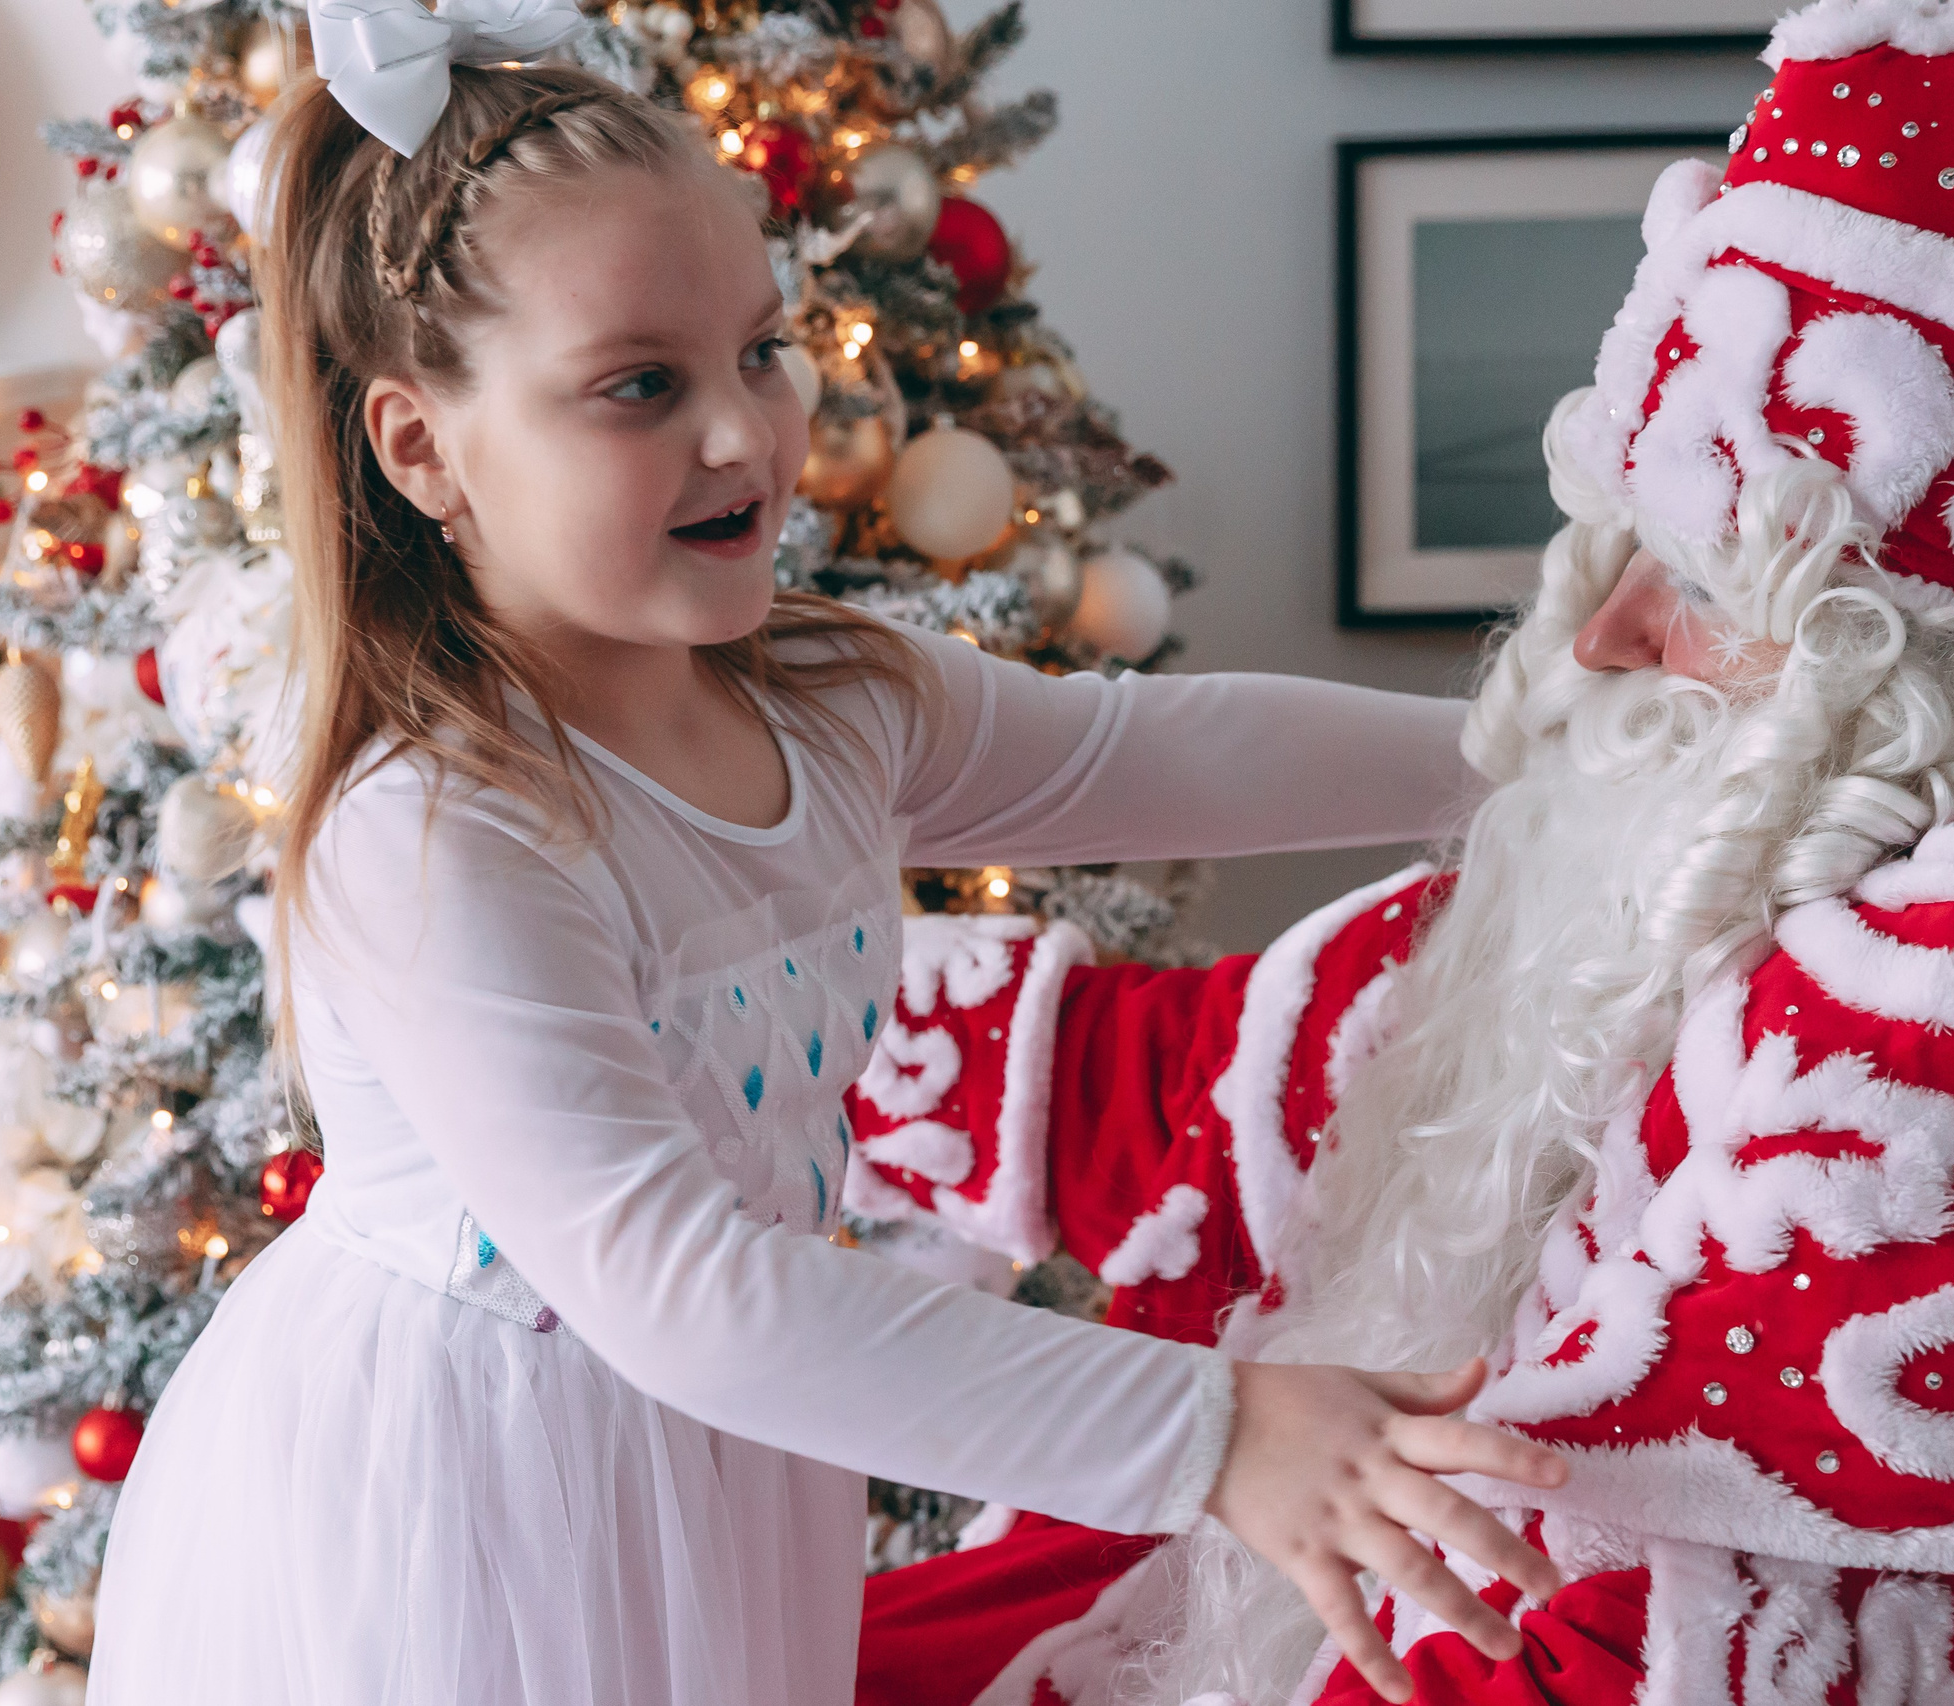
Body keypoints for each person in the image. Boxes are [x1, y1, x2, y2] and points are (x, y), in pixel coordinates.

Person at [845, 1, 1954, 1701]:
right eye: (1620, 549)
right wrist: (758, 1004)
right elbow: (1241, 1082)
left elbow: (1643, 1664)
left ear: (1915, 660)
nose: (1605, 639)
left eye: (1703, 584)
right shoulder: (1744, 865)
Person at [86, 7, 1576, 1704]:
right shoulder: (443, 829)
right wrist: (1213, 1431)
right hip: (471, 1490)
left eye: (761, 349)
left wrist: (1534, 744)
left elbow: (1146, 748)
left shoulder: (825, 695)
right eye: (640, 385)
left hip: (727, 1454)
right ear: (421, 445)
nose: (748, 435)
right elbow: (678, 1280)